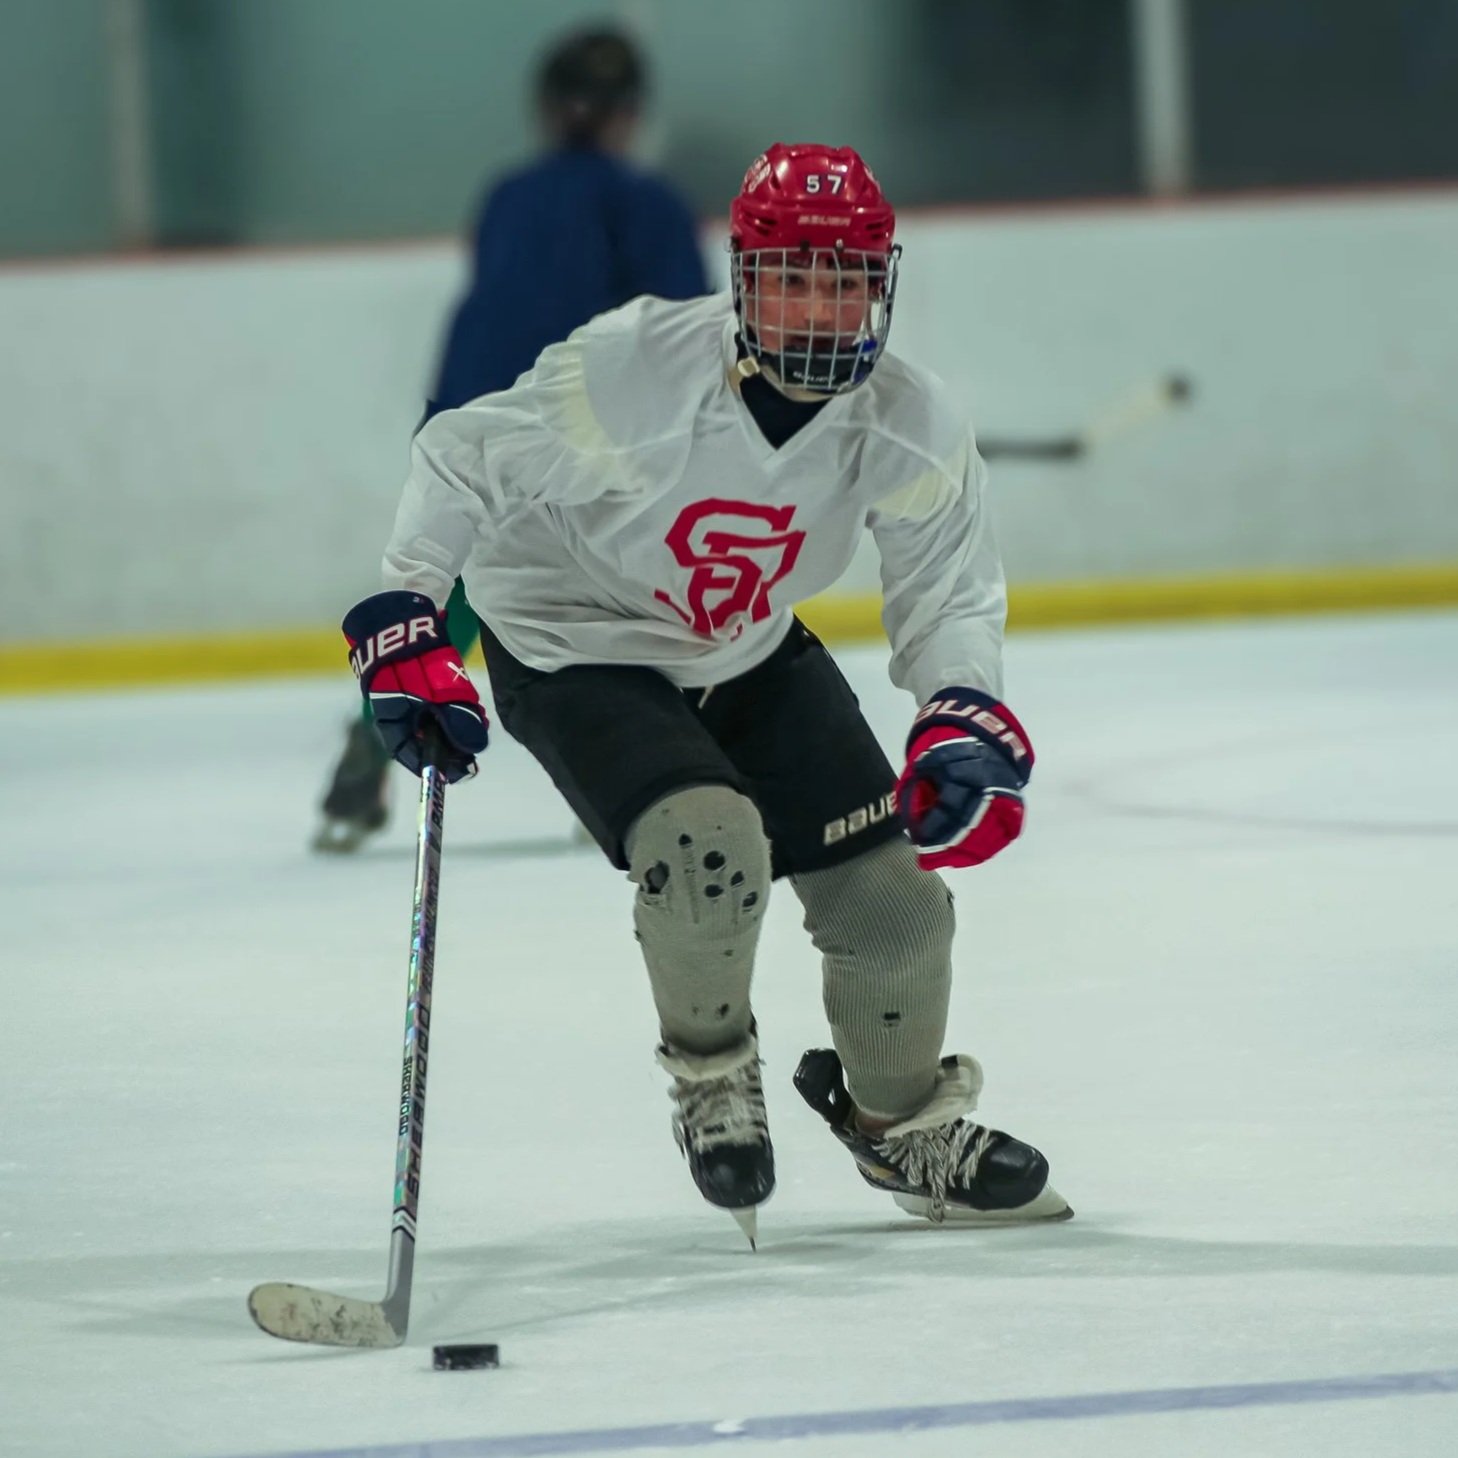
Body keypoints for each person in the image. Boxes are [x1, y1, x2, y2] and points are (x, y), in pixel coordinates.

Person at [339, 142, 1071, 1242]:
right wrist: (405, 617)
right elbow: (461, 458)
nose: (821, 309)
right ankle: (714, 1073)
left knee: (895, 905)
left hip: (742, 644)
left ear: (884, 285)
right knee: (704, 838)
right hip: (574, 635)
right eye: (793, 276)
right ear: (742, 279)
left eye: (847, 280)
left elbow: (949, 597)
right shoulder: (632, 372)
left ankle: (900, 1121)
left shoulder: (909, 423)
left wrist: (961, 716)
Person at [315, 25, 709, 851]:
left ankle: (367, 750)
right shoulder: (647, 205)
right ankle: (627, 773)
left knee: (456, 593)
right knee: (621, 601)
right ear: (631, 113)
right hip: (580, 443)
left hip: (468, 426)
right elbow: (690, 338)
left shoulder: (507, 196)